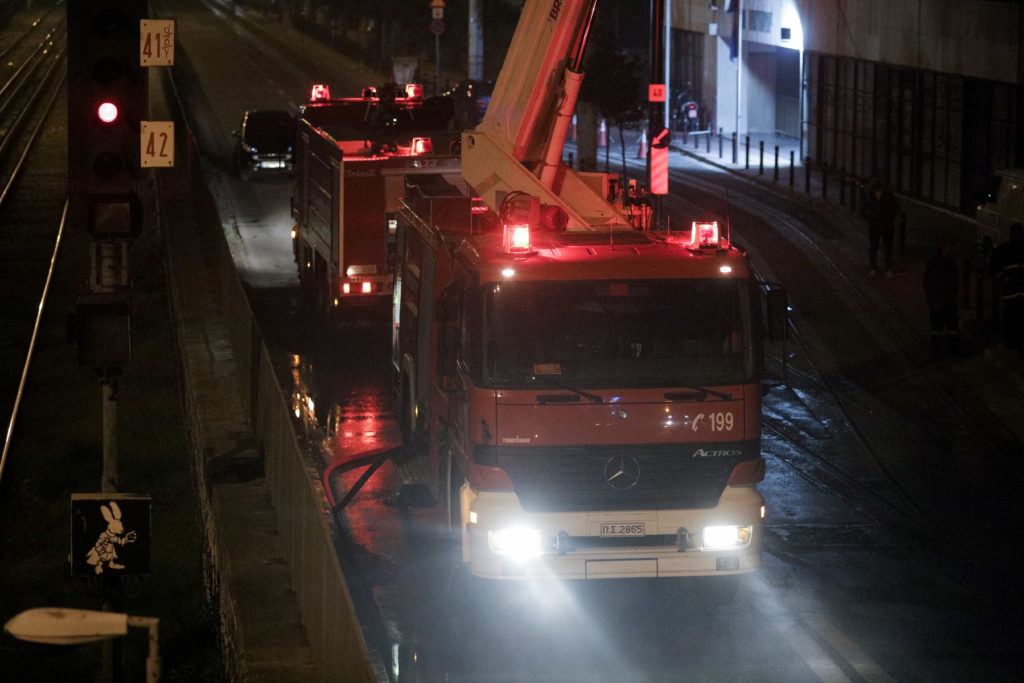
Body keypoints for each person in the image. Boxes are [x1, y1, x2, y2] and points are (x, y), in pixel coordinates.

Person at [989, 223, 1024, 353]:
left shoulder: (1003, 249)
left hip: (1011, 292)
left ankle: (1012, 342)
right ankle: (1014, 342)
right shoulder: (1006, 250)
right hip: (1013, 292)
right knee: (1015, 318)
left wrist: (1001, 281)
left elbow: (993, 267)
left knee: (1012, 318)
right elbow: (994, 268)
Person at [923, 240, 960, 359]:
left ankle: (951, 350)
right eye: (949, 247)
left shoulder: (947, 262)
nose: (951, 250)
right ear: (944, 247)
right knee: (939, 328)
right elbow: (929, 283)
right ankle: (939, 352)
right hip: (939, 301)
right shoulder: (937, 263)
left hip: (947, 300)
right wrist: (933, 300)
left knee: (950, 327)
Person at [860, 177, 900, 277]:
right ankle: (874, 267)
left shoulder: (888, 196)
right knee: (874, 247)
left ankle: (887, 268)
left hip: (886, 225)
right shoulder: (869, 197)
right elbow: (863, 209)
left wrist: (889, 219)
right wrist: (869, 219)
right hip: (875, 225)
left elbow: (895, 209)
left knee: (887, 247)